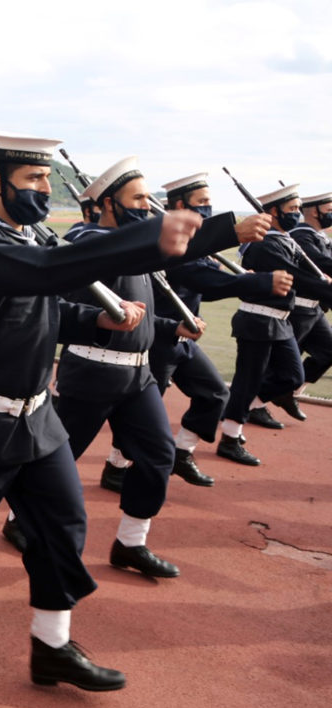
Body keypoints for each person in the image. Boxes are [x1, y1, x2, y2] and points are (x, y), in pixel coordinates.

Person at [0, 131, 232, 691]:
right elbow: (44, 273)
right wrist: (178, 235)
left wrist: (94, 319)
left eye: (47, 179)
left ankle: (52, 644)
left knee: (63, 524)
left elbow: (42, 310)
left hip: (37, 418)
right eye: (33, 178)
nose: (45, 188)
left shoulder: (23, 237)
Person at [47, 157, 264, 578]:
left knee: (158, 456)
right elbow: (126, 257)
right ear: (108, 204)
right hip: (91, 374)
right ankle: (19, 520)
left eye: (148, 198)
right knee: (58, 460)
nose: (147, 207)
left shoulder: (134, 250)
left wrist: (171, 327)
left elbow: (142, 314)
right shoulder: (87, 241)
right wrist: (225, 233)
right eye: (138, 199)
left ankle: (131, 542)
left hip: (137, 376)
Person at [146, 173, 291, 482]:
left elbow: (207, 282)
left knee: (213, 394)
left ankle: (182, 452)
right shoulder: (168, 239)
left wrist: (242, 279)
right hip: (157, 337)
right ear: (181, 205)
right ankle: (117, 467)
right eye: (203, 202)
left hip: (184, 339)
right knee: (143, 415)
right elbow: (203, 280)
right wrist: (259, 281)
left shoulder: (194, 241)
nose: (208, 208)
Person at [218, 185, 331, 464]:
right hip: (257, 320)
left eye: (298, 208)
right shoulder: (264, 244)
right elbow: (295, 277)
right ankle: (230, 437)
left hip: (279, 321)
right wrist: (324, 286)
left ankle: (243, 410)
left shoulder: (284, 240)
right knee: (247, 381)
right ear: (273, 212)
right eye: (292, 209)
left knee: (291, 377)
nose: (297, 214)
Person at [274, 190, 332, 418]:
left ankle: (288, 393)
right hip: (296, 309)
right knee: (279, 363)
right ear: (314, 212)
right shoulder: (301, 236)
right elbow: (321, 263)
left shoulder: (319, 237)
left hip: (314, 309)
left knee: (328, 351)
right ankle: (252, 405)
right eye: (329, 210)